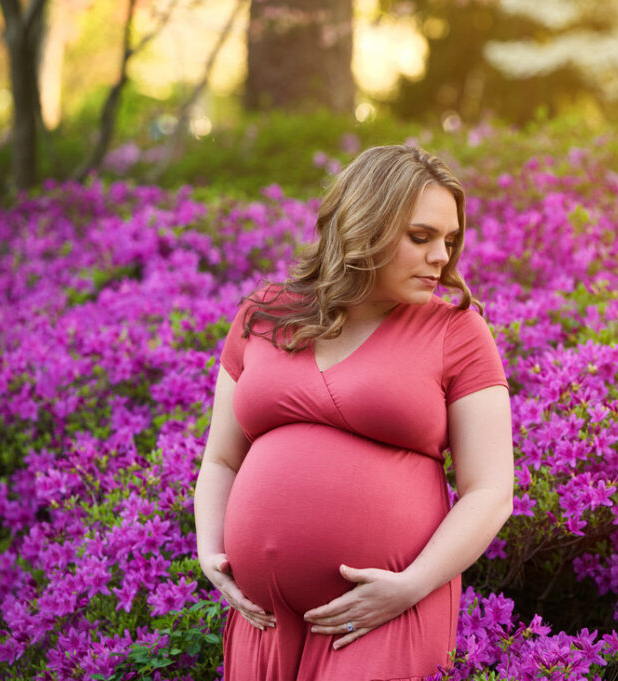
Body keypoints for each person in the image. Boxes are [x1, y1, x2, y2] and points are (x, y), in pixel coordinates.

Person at [193, 145, 514, 681]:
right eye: (421, 237)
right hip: (261, 618)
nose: (442, 257)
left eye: (450, 240)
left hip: (382, 615)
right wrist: (211, 553)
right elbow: (221, 460)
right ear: (364, 225)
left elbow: (491, 491)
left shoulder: (456, 332)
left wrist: (409, 587)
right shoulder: (264, 313)